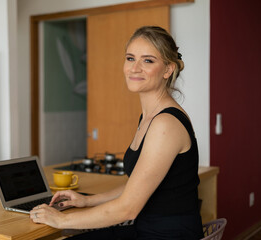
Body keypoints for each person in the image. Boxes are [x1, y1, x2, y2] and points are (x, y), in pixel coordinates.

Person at [30, 26, 204, 240]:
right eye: (130, 58)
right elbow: (136, 187)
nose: (135, 68)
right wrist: (87, 201)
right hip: (148, 229)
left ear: (167, 69)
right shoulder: (150, 118)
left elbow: (127, 209)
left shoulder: (165, 124)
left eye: (148, 60)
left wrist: (61, 220)